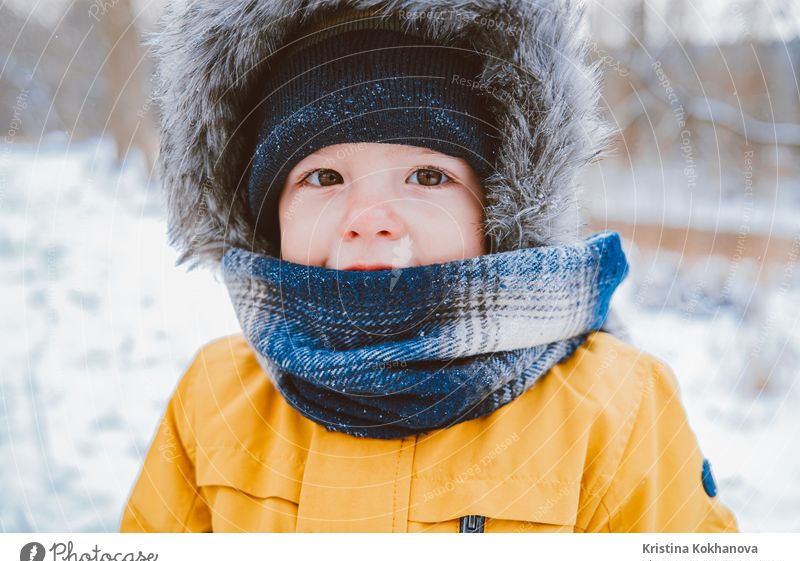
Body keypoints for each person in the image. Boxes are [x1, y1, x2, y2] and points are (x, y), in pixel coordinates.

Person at [119, 0, 738, 533]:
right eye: (324, 176)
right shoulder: (216, 397)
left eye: (428, 175)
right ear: (267, 215)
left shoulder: (614, 407)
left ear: (497, 209)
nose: (368, 216)